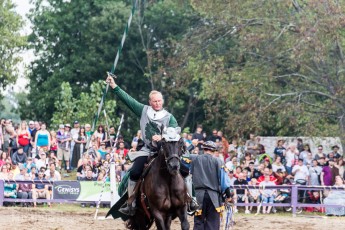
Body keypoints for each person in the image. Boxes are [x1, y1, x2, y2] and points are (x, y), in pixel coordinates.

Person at [106, 74, 190, 216]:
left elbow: (175, 133)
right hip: (147, 150)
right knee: (135, 171)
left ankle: (190, 200)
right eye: (154, 101)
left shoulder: (169, 117)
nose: (157, 103)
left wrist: (162, 136)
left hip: (167, 152)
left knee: (185, 170)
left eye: (159, 101)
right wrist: (114, 86)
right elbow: (128, 100)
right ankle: (131, 202)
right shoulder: (144, 110)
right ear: (150, 102)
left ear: (162, 101)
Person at [190, 141, 231, 230]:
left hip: (198, 196)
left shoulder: (194, 158)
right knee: (212, 223)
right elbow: (224, 181)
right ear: (214, 150)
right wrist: (228, 195)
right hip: (213, 197)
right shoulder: (218, 161)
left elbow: (180, 155)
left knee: (198, 223)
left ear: (203, 149)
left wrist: (192, 145)